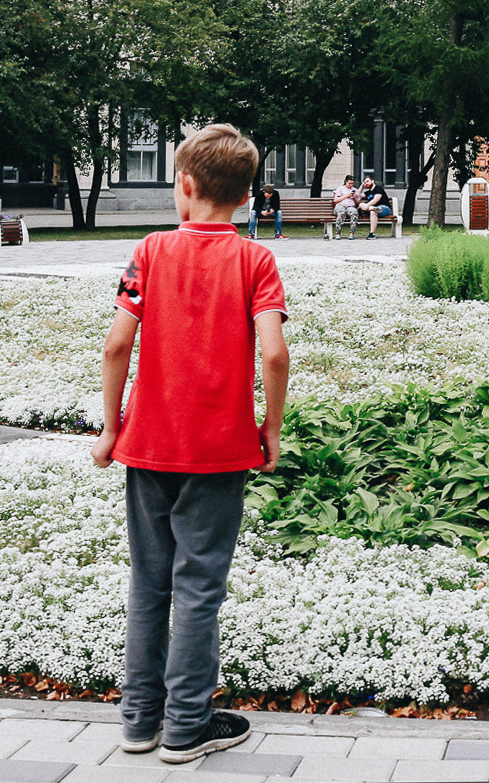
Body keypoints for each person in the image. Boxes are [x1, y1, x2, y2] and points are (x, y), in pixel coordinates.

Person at [92, 123, 288, 763]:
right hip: (220, 450)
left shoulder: (149, 252)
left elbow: (118, 343)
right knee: (199, 585)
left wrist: (109, 427)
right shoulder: (256, 259)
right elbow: (275, 354)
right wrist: (271, 430)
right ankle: (186, 725)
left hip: (148, 447)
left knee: (149, 582)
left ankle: (139, 722)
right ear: (246, 194)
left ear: (184, 184)